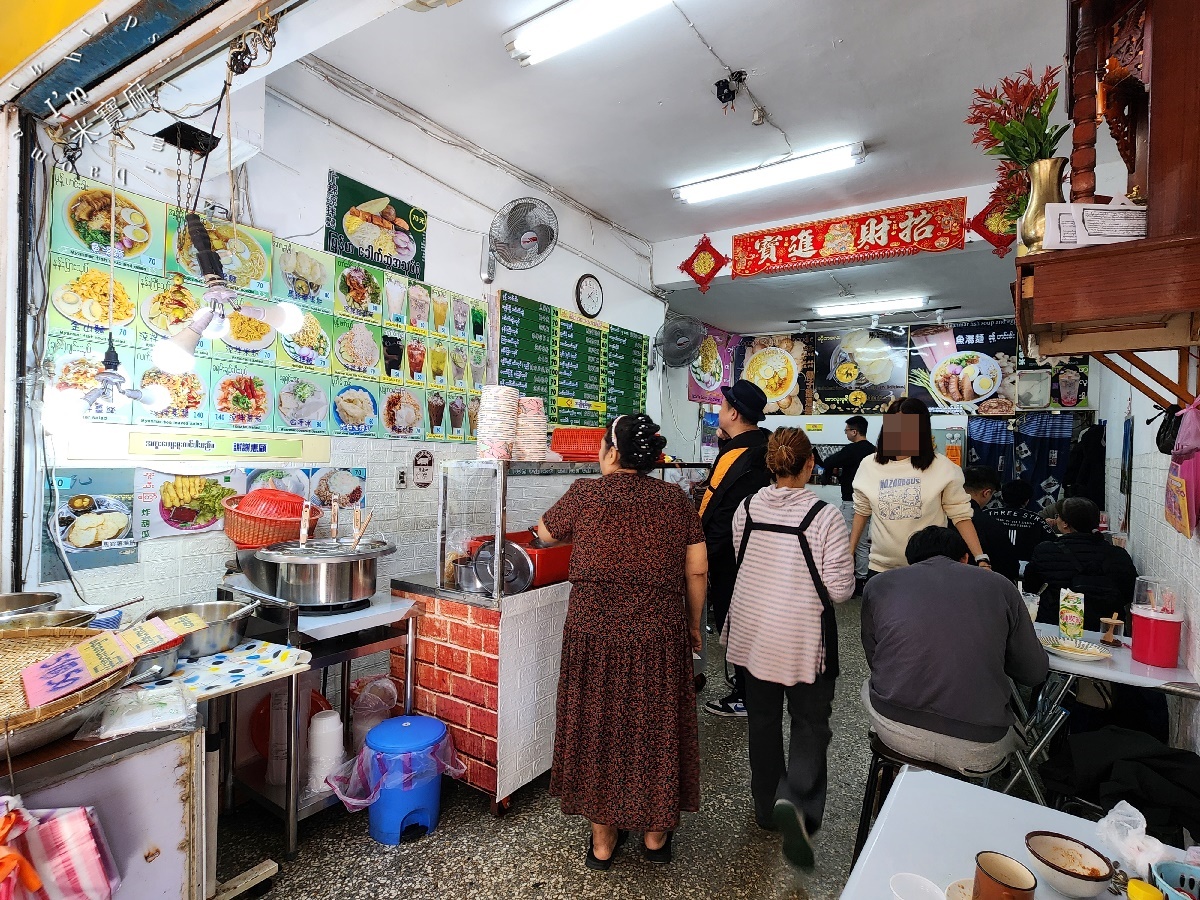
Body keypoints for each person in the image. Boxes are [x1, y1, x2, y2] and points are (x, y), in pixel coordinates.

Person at [536, 414, 705, 869]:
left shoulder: (585, 494)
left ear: (611, 451)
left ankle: (603, 842)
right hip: (659, 634)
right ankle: (654, 837)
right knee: (654, 726)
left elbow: (545, 533)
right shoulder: (675, 500)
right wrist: (693, 624)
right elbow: (697, 569)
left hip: (595, 637)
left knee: (600, 729)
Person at [723, 427, 854, 870]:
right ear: (810, 463)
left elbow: (746, 558)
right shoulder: (825, 515)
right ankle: (796, 803)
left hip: (754, 632)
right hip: (801, 637)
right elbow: (838, 590)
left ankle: (765, 809)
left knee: (761, 721)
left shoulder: (746, 508)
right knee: (810, 724)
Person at [861, 526, 1049, 773]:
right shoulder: (1000, 585)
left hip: (895, 731)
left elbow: (876, 659)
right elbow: (1033, 673)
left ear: (911, 560)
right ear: (965, 558)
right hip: (977, 747)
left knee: (868, 684)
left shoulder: (878, 584)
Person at [698, 379, 772, 718]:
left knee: (736, 622)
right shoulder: (766, 445)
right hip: (759, 551)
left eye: (723, 406)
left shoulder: (737, 453)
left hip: (730, 553)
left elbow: (714, 509)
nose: (719, 411)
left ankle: (746, 696)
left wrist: (701, 551)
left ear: (734, 412)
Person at [849, 398, 989, 575]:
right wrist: (849, 552)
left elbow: (960, 515)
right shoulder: (869, 465)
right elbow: (861, 512)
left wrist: (981, 558)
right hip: (881, 568)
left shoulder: (942, 467)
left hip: (930, 569)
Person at [1023, 497, 1137, 632]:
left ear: (1065, 524)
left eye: (1058, 516)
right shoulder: (1118, 555)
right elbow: (1130, 594)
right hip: (1105, 630)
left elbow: (1030, 587)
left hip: (1055, 627)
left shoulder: (1046, 551)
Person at [819, 415, 875, 593]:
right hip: (871, 501)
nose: (845, 434)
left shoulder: (852, 450)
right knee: (863, 542)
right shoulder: (874, 450)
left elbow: (828, 462)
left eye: (846, 431)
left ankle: (856, 580)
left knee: (851, 541)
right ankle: (863, 579)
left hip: (853, 502)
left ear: (854, 431)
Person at [961, 467, 1021, 582]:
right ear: (986, 493)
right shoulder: (991, 525)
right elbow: (1009, 568)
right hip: (980, 589)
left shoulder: (938, 517)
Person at [988, 479, 1056, 567]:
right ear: (1027, 500)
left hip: (990, 565)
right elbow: (1053, 544)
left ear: (1003, 497)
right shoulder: (1037, 519)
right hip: (1026, 568)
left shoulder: (987, 514)